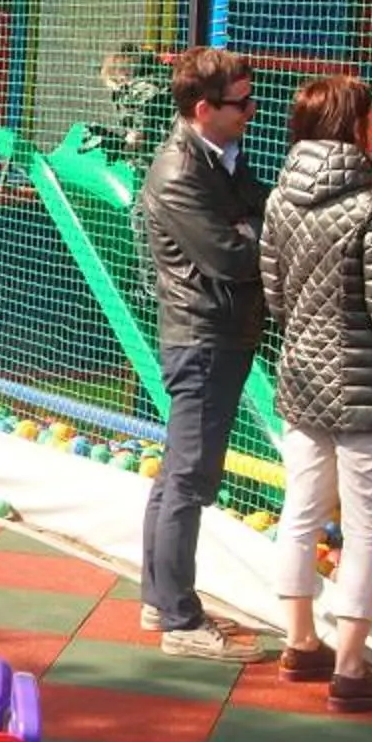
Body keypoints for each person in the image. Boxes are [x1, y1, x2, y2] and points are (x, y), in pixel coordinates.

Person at [259, 71, 372, 713]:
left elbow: (275, 297)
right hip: (367, 389)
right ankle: (351, 667)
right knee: (365, 528)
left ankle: (300, 641)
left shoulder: (278, 200)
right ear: (354, 127)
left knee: (300, 511)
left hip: (301, 379)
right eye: (370, 118)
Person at [135, 44, 277, 659]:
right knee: (190, 477)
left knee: (178, 474)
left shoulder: (220, 156)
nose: (252, 110)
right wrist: (251, 230)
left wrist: (251, 225)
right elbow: (232, 257)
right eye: (241, 103)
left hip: (217, 332)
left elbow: (258, 211)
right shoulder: (179, 171)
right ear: (203, 108)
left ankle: (159, 597)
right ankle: (179, 619)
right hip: (202, 336)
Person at [99, 44, 169, 171]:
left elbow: (139, 132)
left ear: (122, 76)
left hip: (157, 158)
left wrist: (125, 145)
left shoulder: (140, 90)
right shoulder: (157, 80)